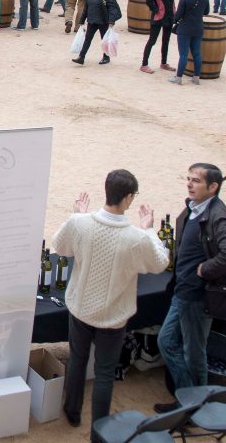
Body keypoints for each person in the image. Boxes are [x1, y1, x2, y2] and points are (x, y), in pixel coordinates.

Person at [51, 170, 169, 429]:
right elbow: (160, 263)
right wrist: (149, 230)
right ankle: (100, 430)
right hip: (113, 317)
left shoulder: (80, 223)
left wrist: (78, 214)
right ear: (128, 198)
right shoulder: (136, 237)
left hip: (81, 309)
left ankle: (72, 412)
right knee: (104, 373)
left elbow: (60, 246)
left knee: (77, 360)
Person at [155, 163, 226, 408]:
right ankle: (187, 399)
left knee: (194, 354)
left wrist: (206, 269)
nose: (189, 184)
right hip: (182, 292)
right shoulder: (194, 208)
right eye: (188, 179)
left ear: (213, 187)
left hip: (197, 298)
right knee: (166, 342)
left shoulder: (218, 216)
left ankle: (194, 407)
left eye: (196, 180)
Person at [71, 0, 120, 66]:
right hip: (92, 20)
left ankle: (106, 57)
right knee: (87, 39)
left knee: (104, 40)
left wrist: (111, 21)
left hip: (103, 21)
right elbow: (86, 8)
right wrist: (81, 20)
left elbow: (112, 7)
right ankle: (81, 57)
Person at [168, 0, 209, 85]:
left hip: (185, 28)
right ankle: (196, 77)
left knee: (183, 54)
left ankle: (179, 77)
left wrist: (174, 21)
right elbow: (206, 12)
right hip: (198, 27)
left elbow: (178, 14)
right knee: (197, 53)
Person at [141, 0, 181, 75]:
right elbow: (148, 0)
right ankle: (144, 64)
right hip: (158, 17)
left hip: (169, 16)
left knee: (166, 40)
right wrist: (157, 10)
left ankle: (163, 63)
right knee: (152, 40)